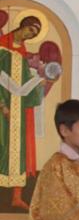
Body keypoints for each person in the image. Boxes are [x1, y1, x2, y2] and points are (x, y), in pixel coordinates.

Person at [0, 16, 45, 210]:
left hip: (20, 110)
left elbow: (25, 84)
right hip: (3, 107)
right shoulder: (2, 46)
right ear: (23, 26)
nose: (30, 34)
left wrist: (39, 81)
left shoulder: (24, 53)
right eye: (30, 30)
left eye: (34, 34)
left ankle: (16, 197)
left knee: (18, 150)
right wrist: (2, 105)